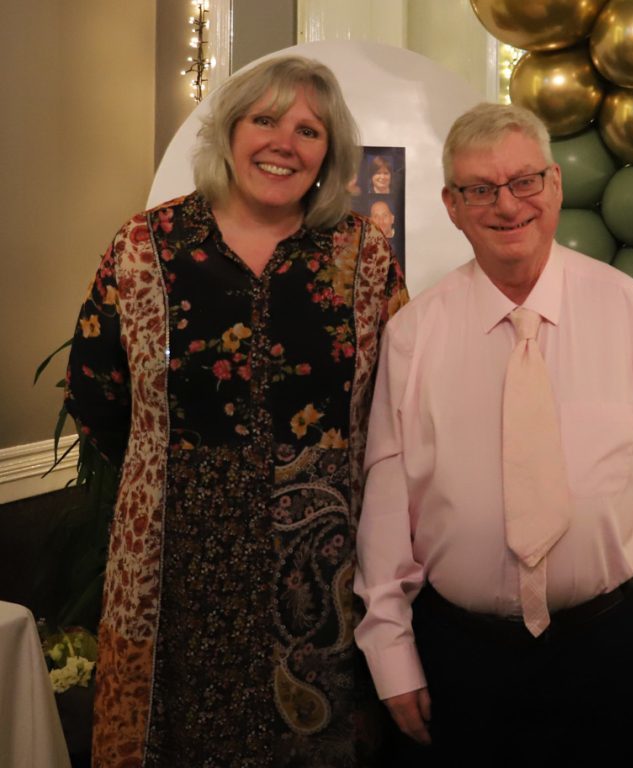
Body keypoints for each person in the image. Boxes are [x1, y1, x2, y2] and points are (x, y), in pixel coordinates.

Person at [353, 102, 633, 767]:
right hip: (459, 661)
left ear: (554, 185)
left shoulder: (629, 311)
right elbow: (388, 511)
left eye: (525, 181)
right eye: (480, 188)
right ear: (451, 203)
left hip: (606, 651)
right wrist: (391, 653)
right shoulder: (414, 336)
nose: (507, 205)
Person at [65, 55, 407, 767]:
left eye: (308, 130)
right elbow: (96, 391)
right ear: (229, 132)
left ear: (328, 156)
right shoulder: (144, 246)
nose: (285, 142)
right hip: (173, 561)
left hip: (326, 576)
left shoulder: (364, 256)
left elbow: (401, 406)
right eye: (265, 120)